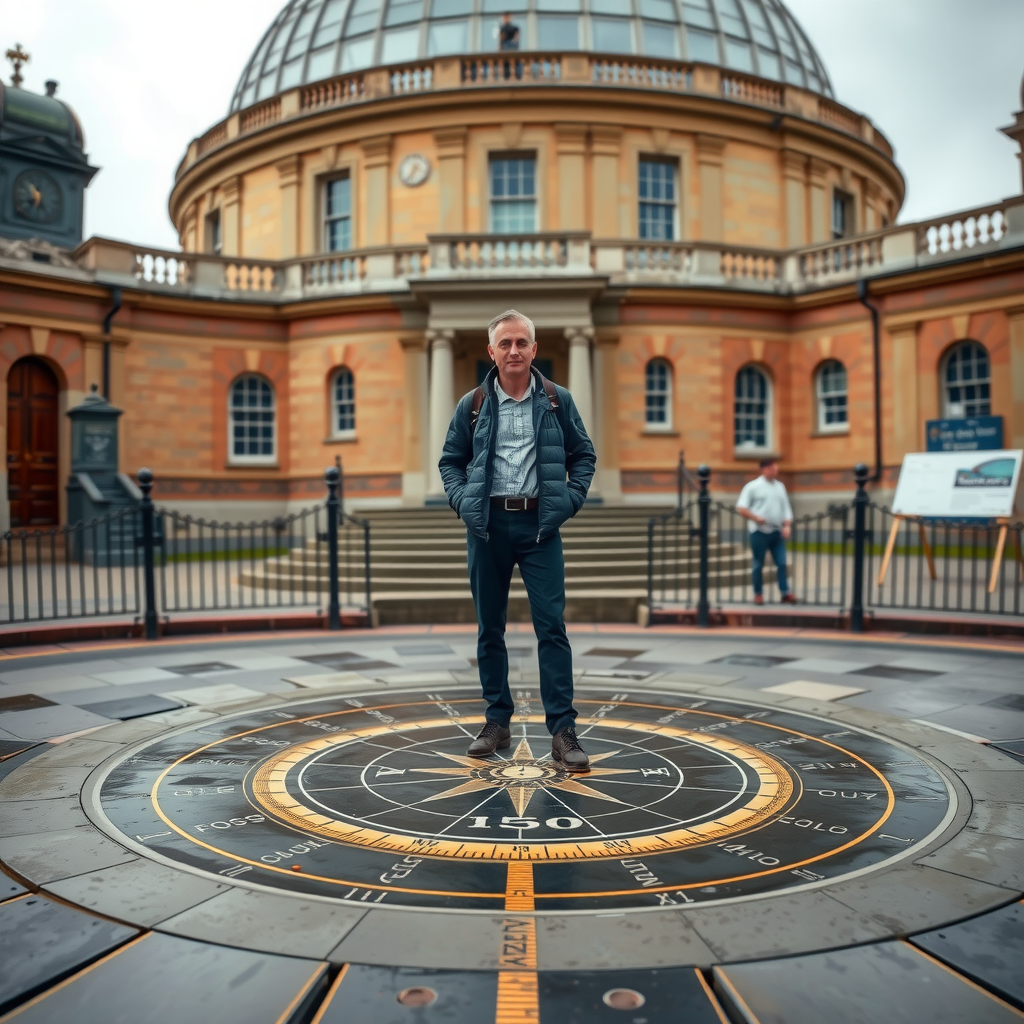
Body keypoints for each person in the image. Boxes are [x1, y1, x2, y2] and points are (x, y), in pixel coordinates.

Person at [439, 309, 596, 770]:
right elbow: (450, 461)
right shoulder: (471, 404)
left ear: (533, 349)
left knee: (552, 627)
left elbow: (583, 455)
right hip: (487, 527)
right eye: (504, 343)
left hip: (540, 528)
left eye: (521, 343)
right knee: (491, 628)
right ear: (491, 351)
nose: (513, 351)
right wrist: (464, 502)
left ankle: (563, 731)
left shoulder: (556, 400)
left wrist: (568, 501)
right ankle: (496, 721)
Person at [736, 457, 797, 605]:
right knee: (758, 564)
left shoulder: (780, 487)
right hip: (758, 532)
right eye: (772, 468)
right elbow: (741, 508)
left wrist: (787, 525)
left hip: (776, 532)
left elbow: (786, 508)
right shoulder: (753, 487)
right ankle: (758, 594)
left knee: (781, 563)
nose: (776, 470)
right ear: (764, 469)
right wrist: (755, 517)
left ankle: (785, 593)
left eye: (776, 467)